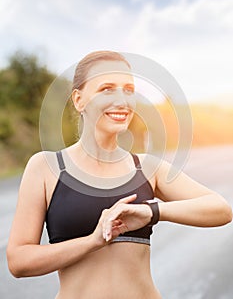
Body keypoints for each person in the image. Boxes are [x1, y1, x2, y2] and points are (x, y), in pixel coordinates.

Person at [7, 51, 232, 299]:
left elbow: (220, 209)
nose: (122, 100)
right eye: (106, 89)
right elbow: (18, 261)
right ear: (79, 100)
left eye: (128, 89)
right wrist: (93, 241)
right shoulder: (46, 167)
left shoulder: (146, 167)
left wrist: (151, 211)